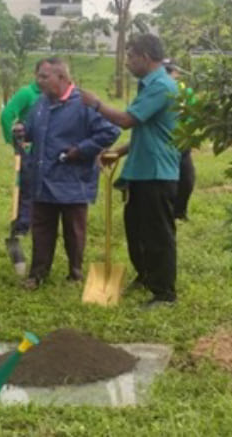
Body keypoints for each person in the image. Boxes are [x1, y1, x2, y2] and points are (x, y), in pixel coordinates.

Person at [80, 34, 181, 308]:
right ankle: (146, 276)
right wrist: (118, 152)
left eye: (130, 56)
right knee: (136, 229)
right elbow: (146, 130)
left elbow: (127, 121)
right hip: (141, 169)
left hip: (157, 172)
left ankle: (164, 293)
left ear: (145, 57)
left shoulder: (161, 86)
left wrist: (96, 104)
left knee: (158, 234)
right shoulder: (149, 84)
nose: (127, 62)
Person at [13, 57, 120, 290]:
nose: (38, 81)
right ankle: (37, 273)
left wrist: (81, 150)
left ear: (61, 78)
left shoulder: (84, 103)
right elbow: (32, 131)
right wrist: (23, 131)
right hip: (43, 177)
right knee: (41, 228)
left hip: (73, 179)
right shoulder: (41, 103)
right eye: (38, 76)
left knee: (74, 229)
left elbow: (110, 131)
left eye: (44, 76)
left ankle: (75, 272)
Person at [0, 61, 44, 236]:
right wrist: (13, 142)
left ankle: (36, 222)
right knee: (27, 186)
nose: (44, 79)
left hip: (46, 150)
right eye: (41, 75)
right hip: (28, 149)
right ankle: (22, 225)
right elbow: (6, 115)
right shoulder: (27, 93)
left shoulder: (52, 94)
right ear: (35, 74)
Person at [164, 59, 196, 221]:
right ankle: (170, 211)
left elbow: (194, 114)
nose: (172, 75)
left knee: (187, 179)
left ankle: (180, 211)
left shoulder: (185, 92)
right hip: (165, 142)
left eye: (172, 71)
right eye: (168, 71)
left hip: (182, 140)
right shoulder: (159, 90)